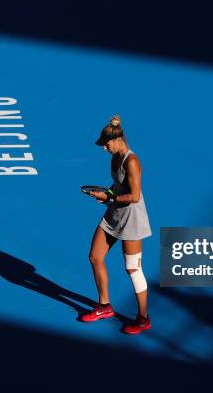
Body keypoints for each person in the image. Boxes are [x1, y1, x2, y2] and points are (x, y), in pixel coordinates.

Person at [80, 114, 152, 335]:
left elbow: (134, 195)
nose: (104, 149)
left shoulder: (132, 161)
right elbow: (118, 187)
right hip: (114, 214)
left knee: (133, 269)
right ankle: (104, 306)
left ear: (118, 139)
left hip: (132, 219)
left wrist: (109, 198)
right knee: (95, 257)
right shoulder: (114, 158)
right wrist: (107, 193)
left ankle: (142, 318)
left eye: (106, 144)